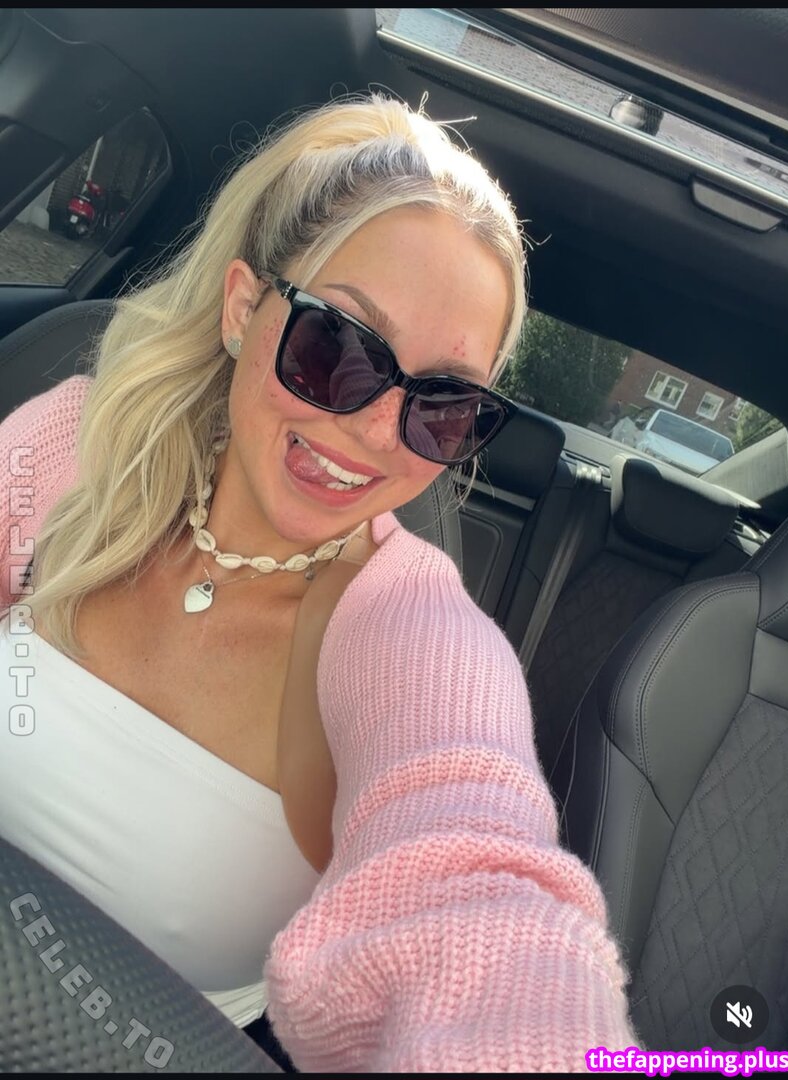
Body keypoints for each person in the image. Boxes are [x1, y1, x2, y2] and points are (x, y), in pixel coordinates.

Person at [0, 93, 642, 1072]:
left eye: (442, 403)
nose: (376, 430)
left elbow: (481, 889)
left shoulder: (417, 640)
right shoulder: (77, 444)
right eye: (335, 346)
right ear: (242, 309)